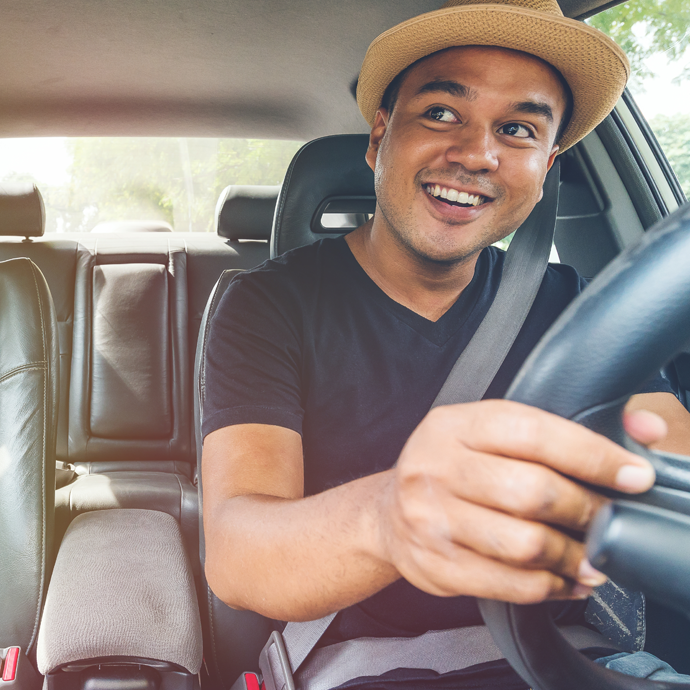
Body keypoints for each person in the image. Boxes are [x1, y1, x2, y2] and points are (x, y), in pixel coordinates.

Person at [201, 0, 690, 687]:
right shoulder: (268, 306)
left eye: (517, 129)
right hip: (365, 666)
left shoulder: (571, 302)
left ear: (547, 165)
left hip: (571, 655)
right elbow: (236, 551)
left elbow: (668, 443)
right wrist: (387, 516)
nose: (476, 154)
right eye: (440, 113)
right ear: (379, 137)